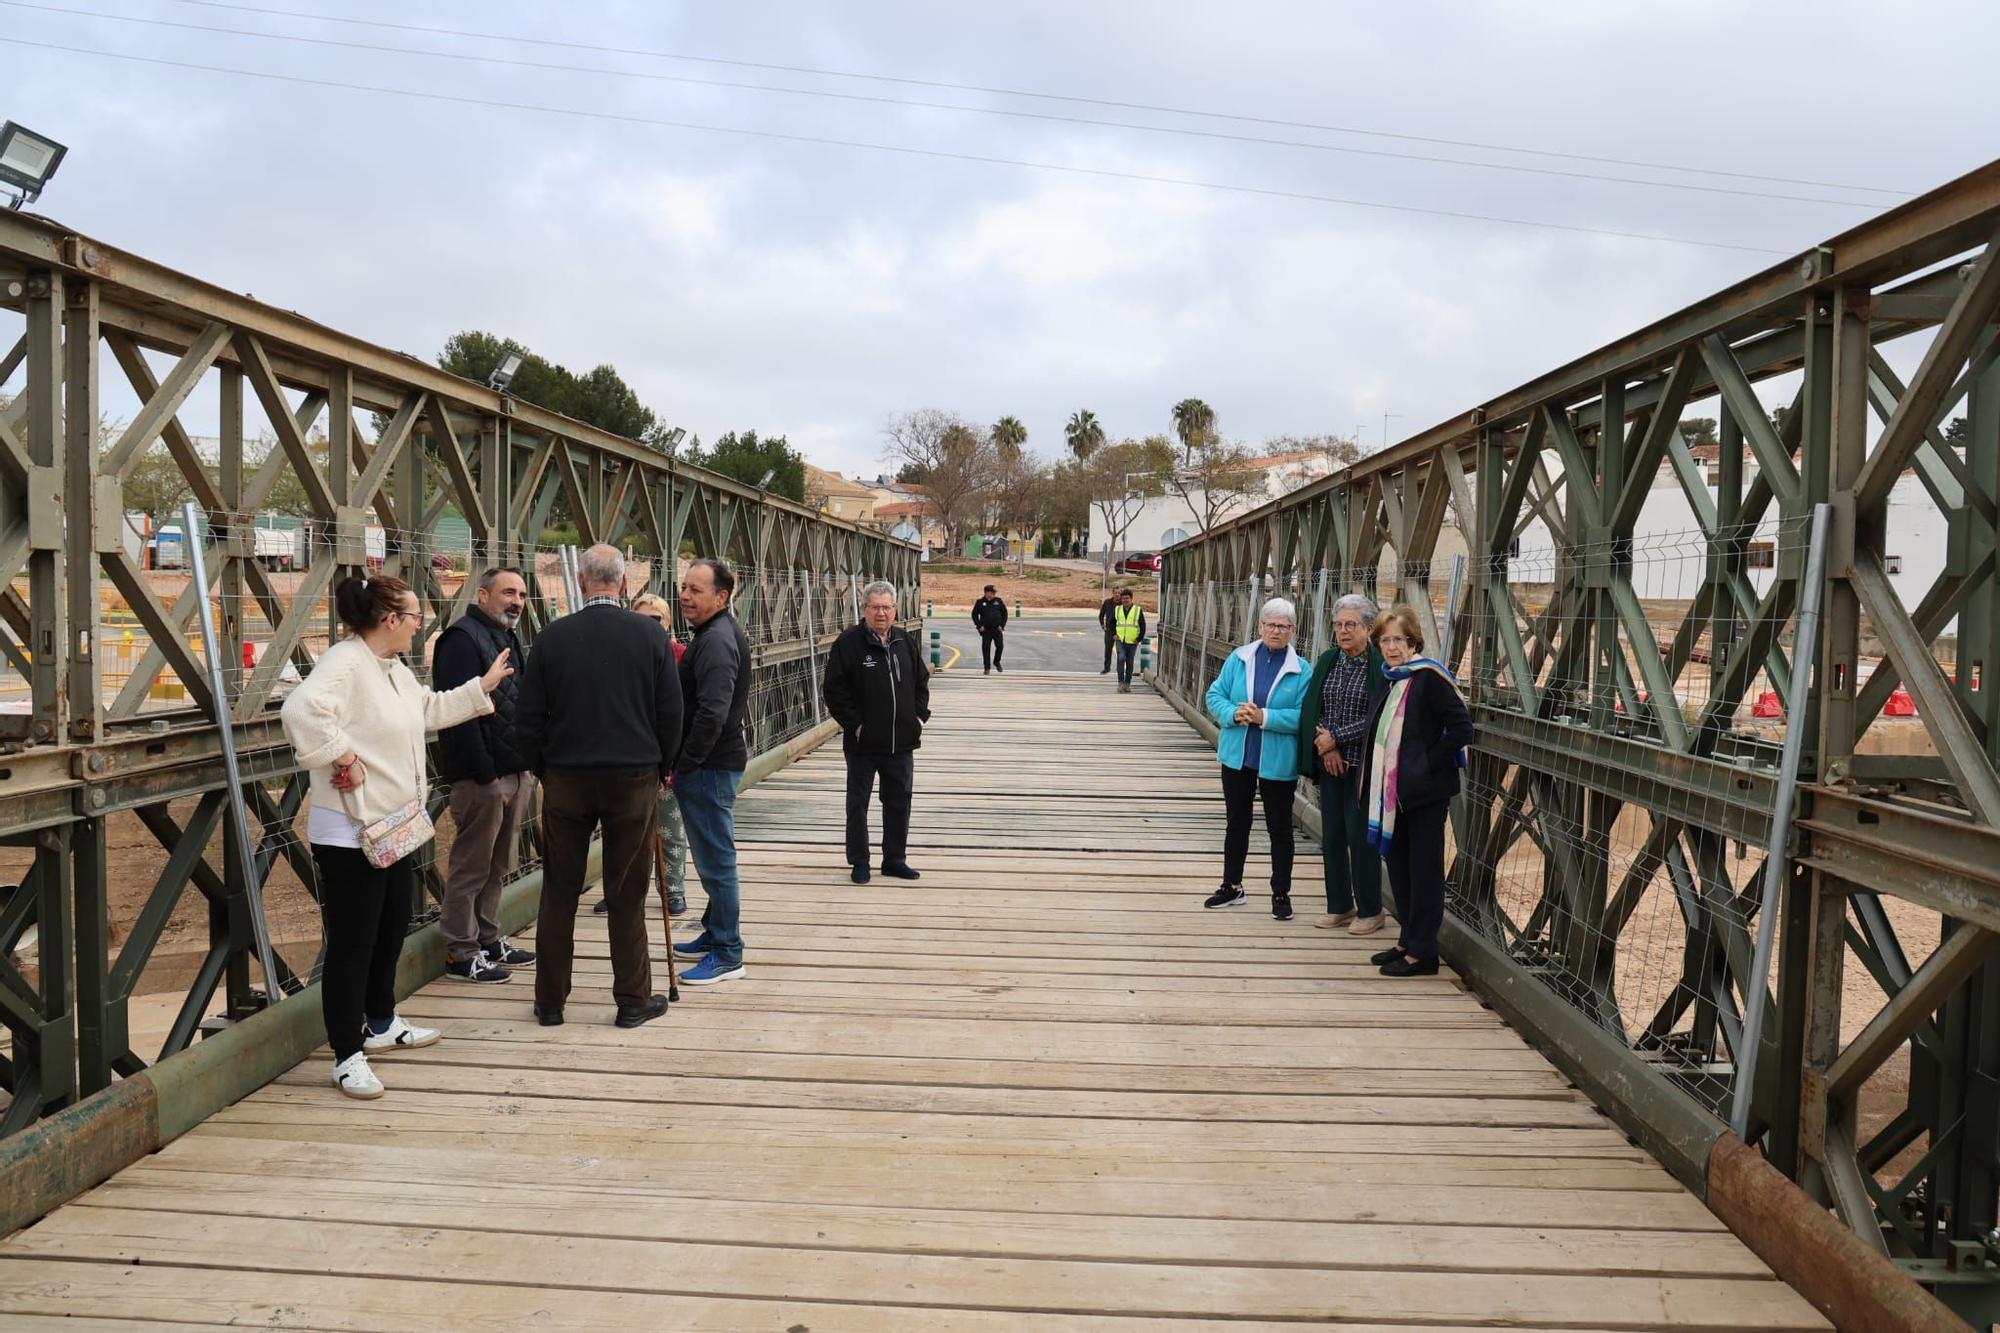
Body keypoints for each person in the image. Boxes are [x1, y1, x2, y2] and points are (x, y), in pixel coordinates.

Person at [281, 574, 512, 1100]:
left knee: (389, 928)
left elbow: (426, 710)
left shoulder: (392, 668)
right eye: (413, 617)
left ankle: (381, 1022)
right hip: (351, 831)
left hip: (392, 825)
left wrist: (481, 688)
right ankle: (347, 1054)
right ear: (390, 620)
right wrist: (343, 756)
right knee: (353, 942)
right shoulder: (346, 663)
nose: (417, 626)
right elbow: (300, 710)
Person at [513, 544, 682, 1029]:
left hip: (567, 777)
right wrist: (664, 766)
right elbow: (671, 711)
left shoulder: (552, 637)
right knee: (627, 891)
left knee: (559, 890)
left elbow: (528, 717)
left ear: (581, 582)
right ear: (624, 583)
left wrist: (544, 768)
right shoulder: (650, 636)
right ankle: (632, 999)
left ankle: (550, 1001)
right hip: (633, 776)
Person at [433, 566, 536, 984]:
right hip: (484, 778)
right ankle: (461, 952)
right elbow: (458, 712)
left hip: (513, 770)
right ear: (482, 595)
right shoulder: (460, 640)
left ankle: (488, 939)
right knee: (472, 866)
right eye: (508, 593)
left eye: (522, 595)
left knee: (497, 864)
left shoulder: (504, 635)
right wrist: (485, 775)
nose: (517, 602)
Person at [1359, 604, 1474, 978]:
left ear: (1413, 642)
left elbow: (1461, 729)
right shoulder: (1391, 678)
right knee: (1400, 868)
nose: (1392, 647)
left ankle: (1424, 953)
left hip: (1424, 794)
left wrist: (1424, 763)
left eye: (1399, 640)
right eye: (1385, 640)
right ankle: (1407, 939)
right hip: (1394, 795)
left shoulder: (1429, 678)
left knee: (1424, 873)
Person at [669, 558, 753, 986]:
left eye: (695, 590)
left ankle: (728, 952)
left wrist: (684, 763)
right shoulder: (713, 633)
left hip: (709, 766)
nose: (685, 596)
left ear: (721, 597)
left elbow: (712, 713)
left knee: (716, 862)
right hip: (711, 764)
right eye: (684, 587)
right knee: (713, 856)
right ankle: (715, 931)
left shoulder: (716, 641)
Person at [1202, 598, 1310, 920]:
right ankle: (1231, 885)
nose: (1276, 631)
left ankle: (1281, 892)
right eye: (1271, 624)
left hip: (1277, 761)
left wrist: (1266, 717)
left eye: (1283, 626)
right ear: (1260, 626)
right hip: (1238, 756)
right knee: (1237, 822)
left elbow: (1304, 716)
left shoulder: (1302, 670)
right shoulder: (1239, 658)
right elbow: (1214, 695)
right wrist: (1233, 713)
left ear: (1293, 630)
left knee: (1280, 827)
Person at [824, 580, 931, 883]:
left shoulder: (904, 641)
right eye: (875, 607)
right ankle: (860, 862)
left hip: (901, 742)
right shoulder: (848, 643)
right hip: (863, 744)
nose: (881, 613)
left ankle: (894, 860)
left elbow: (921, 683)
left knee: (899, 802)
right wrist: (856, 726)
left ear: (895, 609)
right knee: (858, 804)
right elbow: (834, 691)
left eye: (886, 607)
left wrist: (918, 718)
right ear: (864, 609)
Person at [594, 592, 689, 921]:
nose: (648, 626)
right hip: (627, 757)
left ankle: (673, 889)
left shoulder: (680, 656)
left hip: (663, 754)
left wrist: (673, 756)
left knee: (670, 827)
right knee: (620, 830)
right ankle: (618, 890)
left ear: (668, 623)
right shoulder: (620, 655)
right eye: (641, 619)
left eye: (656, 619)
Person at [1298, 594, 1388, 936]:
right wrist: (1326, 746)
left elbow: (1378, 715)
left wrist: (1336, 738)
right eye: (1338, 625)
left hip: (1362, 766)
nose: (1342, 631)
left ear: (1369, 628)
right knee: (1332, 835)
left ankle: (1371, 910)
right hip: (1330, 763)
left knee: (1359, 836)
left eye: (1351, 624)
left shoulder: (1379, 665)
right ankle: (1339, 905)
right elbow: (1313, 706)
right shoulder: (1329, 660)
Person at [1111, 589, 1146, 693]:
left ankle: (1127, 684)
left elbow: (1142, 625)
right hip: (1120, 640)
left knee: (1130, 662)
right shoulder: (1117, 609)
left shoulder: (1137, 610)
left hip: (1132, 641)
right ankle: (1120, 682)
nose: (1125, 600)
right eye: (1123, 598)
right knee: (1121, 658)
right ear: (1121, 599)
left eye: (1127, 598)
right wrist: (1114, 634)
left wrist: (1139, 639)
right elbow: (1112, 623)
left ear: (1131, 599)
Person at [971, 584, 1008, 674]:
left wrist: (1002, 625)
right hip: (986, 630)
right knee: (986, 648)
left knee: (1000, 646)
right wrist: (979, 626)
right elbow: (974, 615)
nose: (994, 594)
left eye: (994, 593)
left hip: (997, 629)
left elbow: (1005, 613)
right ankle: (987, 668)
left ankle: (996, 661)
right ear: (986, 593)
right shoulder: (980, 602)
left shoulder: (998, 601)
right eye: (992, 592)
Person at [1097, 589, 1119, 674]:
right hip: (1109, 630)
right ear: (1112, 593)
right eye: (1115, 593)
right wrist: (1102, 625)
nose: (1117, 594)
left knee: (1120, 651)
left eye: (1119, 593)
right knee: (1108, 650)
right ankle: (1107, 668)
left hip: (1120, 630)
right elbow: (1101, 615)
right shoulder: (1107, 602)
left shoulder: (1123, 603)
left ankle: (1120, 669)